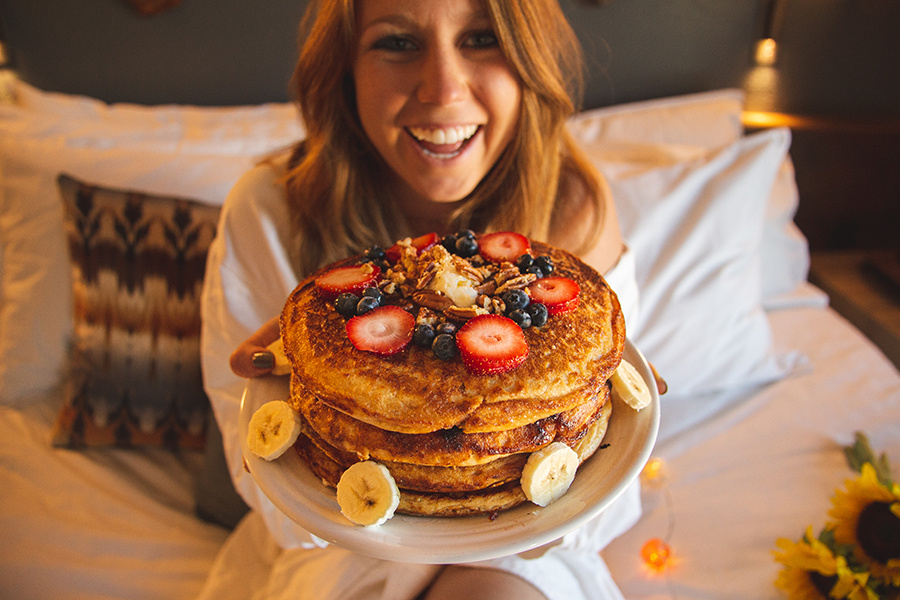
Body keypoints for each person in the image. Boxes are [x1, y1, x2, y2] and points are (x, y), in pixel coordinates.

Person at [200, 0, 656, 598]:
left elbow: (607, 477)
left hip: (529, 552)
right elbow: (270, 478)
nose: (443, 89)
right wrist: (327, 365)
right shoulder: (269, 210)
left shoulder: (575, 208)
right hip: (339, 542)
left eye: (482, 38)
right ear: (344, 67)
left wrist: (497, 532)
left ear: (528, 60)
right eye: (397, 42)